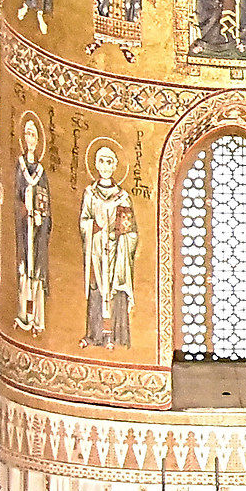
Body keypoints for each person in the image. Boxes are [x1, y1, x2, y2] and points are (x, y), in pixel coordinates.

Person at [79, 142, 139, 347]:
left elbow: (130, 232)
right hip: (96, 250)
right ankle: (94, 335)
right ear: (96, 165)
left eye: (109, 162)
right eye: (101, 162)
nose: (105, 166)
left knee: (114, 291)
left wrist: (119, 235)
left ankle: (114, 336)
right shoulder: (90, 193)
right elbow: (83, 221)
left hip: (115, 252)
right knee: (96, 290)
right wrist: (94, 226)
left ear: (114, 167)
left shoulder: (122, 197)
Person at [14, 113, 51, 334]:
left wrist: (41, 216)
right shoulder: (19, 166)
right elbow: (13, 196)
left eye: (33, 134)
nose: (30, 138)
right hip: (22, 228)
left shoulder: (41, 172)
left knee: (36, 272)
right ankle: (22, 315)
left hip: (36, 230)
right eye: (27, 133)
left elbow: (46, 200)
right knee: (23, 271)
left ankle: (36, 318)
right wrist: (23, 210)